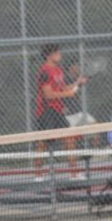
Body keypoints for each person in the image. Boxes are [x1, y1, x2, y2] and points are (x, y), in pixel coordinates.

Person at [34, 43, 87, 179]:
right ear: (49, 55)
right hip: (46, 112)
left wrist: (77, 83)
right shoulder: (44, 71)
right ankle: (38, 174)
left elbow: (62, 89)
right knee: (43, 144)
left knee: (70, 139)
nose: (60, 55)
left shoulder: (58, 70)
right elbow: (48, 94)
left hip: (58, 112)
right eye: (57, 53)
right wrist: (68, 95)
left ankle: (74, 173)